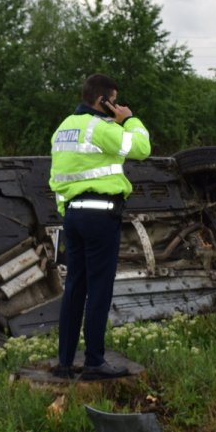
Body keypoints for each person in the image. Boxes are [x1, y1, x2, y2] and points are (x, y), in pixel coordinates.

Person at [48, 74, 151, 380]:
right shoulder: (101, 127)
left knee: (74, 289)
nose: (117, 106)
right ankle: (94, 362)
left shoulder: (63, 129)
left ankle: (64, 363)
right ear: (101, 101)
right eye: (114, 100)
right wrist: (130, 119)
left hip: (72, 216)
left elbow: (58, 176)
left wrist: (67, 211)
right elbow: (142, 148)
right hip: (100, 216)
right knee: (99, 289)